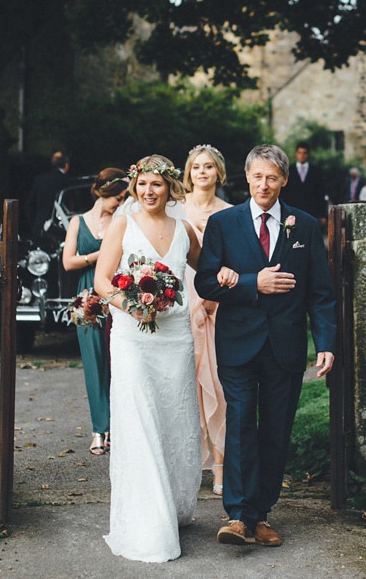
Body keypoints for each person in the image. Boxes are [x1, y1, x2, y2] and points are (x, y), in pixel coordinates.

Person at [195, 144, 337, 548]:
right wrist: (248, 282)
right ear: (247, 178)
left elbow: (321, 293)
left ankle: (262, 514)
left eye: (272, 177)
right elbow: (205, 282)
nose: (264, 184)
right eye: (257, 176)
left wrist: (325, 341)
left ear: (284, 180)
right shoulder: (224, 223)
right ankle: (239, 516)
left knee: (277, 430)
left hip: (286, 345)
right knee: (240, 425)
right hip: (238, 343)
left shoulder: (305, 226)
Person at [93, 155, 203, 563]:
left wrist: (230, 278)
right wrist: (131, 305)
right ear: (134, 187)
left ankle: (172, 505)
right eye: (142, 185)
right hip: (132, 339)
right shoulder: (123, 224)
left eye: (157, 184)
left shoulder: (184, 229)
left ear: (170, 187)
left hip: (174, 338)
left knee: (173, 421)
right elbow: (102, 281)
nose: (148, 192)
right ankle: (146, 520)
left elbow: (205, 271)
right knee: (139, 420)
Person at [61, 167, 127, 456]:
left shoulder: (122, 221)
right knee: (93, 362)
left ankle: (117, 426)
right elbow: (68, 262)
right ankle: (98, 429)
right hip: (87, 295)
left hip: (115, 292)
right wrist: (100, 255)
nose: (123, 202)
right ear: (105, 194)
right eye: (120, 197)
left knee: (118, 362)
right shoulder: (78, 222)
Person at [181, 144, 232, 497]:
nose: (202, 172)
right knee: (182, 386)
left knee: (216, 384)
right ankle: (184, 466)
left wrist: (214, 298)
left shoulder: (230, 213)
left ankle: (219, 465)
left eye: (208, 167)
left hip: (214, 305)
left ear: (219, 173)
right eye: (196, 167)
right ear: (188, 173)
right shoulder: (172, 209)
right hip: (179, 302)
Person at [279, 142, 327, 229]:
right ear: (296, 154)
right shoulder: (289, 171)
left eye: (304, 153)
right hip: (293, 211)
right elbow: (284, 192)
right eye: (300, 153)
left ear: (308, 154)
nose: (302, 155)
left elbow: (321, 193)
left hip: (311, 212)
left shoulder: (316, 171)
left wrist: (322, 215)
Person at [25, 151, 71, 237]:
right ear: (66, 165)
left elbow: (29, 205)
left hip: (39, 226)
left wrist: (35, 224)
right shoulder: (66, 182)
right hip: (60, 227)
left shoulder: (40, 180)